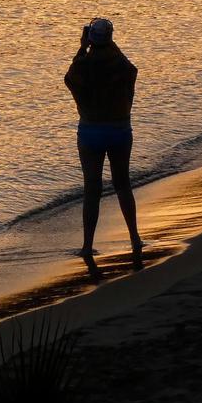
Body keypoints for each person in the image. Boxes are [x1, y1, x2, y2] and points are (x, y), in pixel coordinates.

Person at [64, 17, 142, 270]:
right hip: (119, 130)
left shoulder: (83, 67)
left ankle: (88, 244)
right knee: (122, 184)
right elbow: (132, 71)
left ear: (90, 40)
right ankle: (135, 237)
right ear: (110, 39)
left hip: (90, 132)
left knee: (92, 190)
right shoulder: (120, 65)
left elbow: (69, 78)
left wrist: (81, 46)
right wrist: (110, 45)